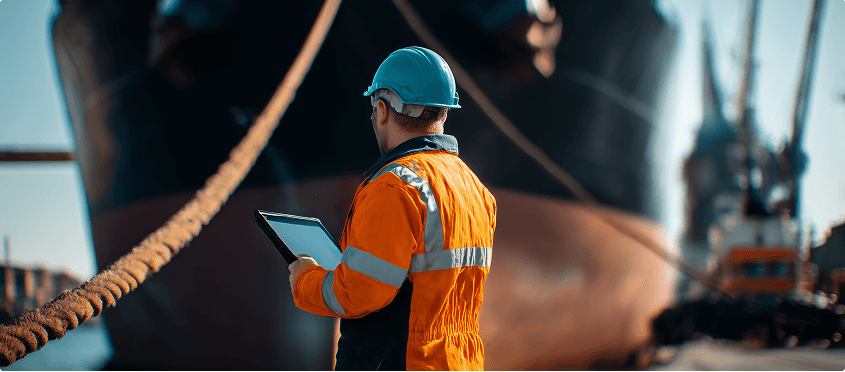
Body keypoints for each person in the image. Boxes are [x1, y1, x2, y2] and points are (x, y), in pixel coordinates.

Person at [287, 46, 497, 371]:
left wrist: (306, 279)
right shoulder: (473, 187)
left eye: (374, 110)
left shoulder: (394, 186)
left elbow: (359, 293)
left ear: (382, 110)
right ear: (443, 112)